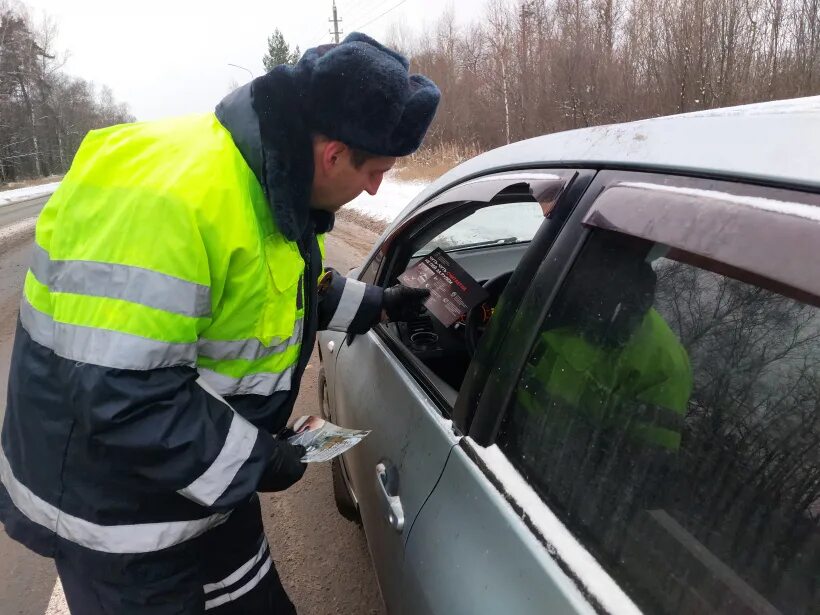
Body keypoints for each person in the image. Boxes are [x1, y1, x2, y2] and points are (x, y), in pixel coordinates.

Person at [0, 33, 438, 614]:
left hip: (197, 490)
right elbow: (125, 397)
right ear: (333, 154)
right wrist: (261, 461)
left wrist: (383, 303)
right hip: (119, 524)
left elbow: (279, 292)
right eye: (376, 170)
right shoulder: (173, 202)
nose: (377, 188)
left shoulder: (267, 182)